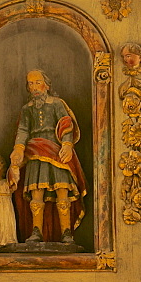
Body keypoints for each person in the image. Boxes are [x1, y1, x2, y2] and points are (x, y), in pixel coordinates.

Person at [8, 70, 87, 244]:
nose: (34, 87)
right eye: (30, 83)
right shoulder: (27, 109)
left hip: (57, 151)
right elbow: (23, 130)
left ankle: (66, 233)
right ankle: (36, 232)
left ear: (47, 85)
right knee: (36, 192)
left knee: (62, 190)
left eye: (37, 82)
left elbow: (66, 125)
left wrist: (67, 144)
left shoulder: (57, 104)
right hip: (35, 152)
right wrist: (18, 149)